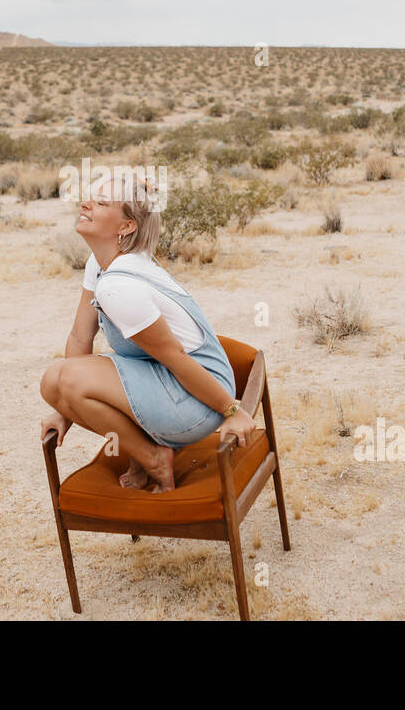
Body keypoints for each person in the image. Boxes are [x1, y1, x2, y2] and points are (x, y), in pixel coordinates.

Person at [39, 174, 256, 492]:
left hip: (196, 403)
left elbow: (177, 358)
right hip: (166, 377)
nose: (85, 203)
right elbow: (79, 338)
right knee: (55, 383)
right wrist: (64, 411)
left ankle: (152, 458)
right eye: (90, 197)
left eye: (101, 203)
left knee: (67, 379)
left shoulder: (119, 286)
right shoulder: (100, 265)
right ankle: (143, 458)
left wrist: (232, 411)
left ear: (126, 226)